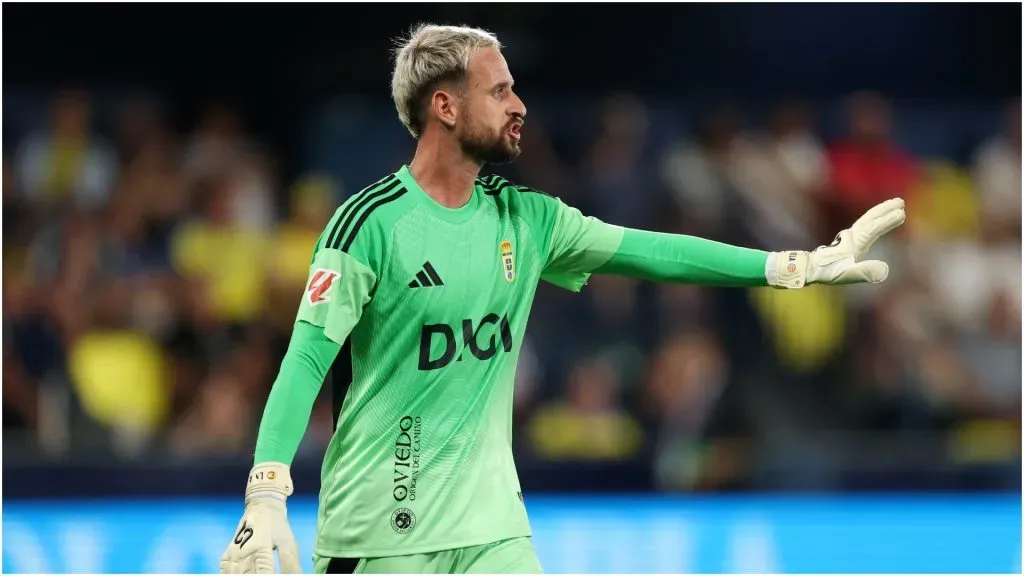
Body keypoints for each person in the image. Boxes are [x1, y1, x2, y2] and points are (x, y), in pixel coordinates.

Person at [219, 24, 906, 575]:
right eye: (499, 91)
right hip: (383, 534)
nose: (519, 106)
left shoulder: (528, 220)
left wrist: (793, 265)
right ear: (445, 105)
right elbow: (306, 360)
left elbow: (654, 252)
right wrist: (267, 491)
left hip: (493, 533)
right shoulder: (369, 224)